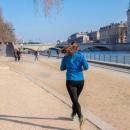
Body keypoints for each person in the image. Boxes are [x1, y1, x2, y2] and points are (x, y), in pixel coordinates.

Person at [60, 42, 89, 129]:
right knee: (75, 100)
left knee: (75, 100)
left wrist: (68, 67)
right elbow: (86, 67)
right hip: (81, 81)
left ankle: (81, 117)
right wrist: (79, 68)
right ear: (76, 48)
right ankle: (73, 113)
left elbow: (61, 68)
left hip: (71, 81)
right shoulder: (81, 55)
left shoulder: (65, 57)